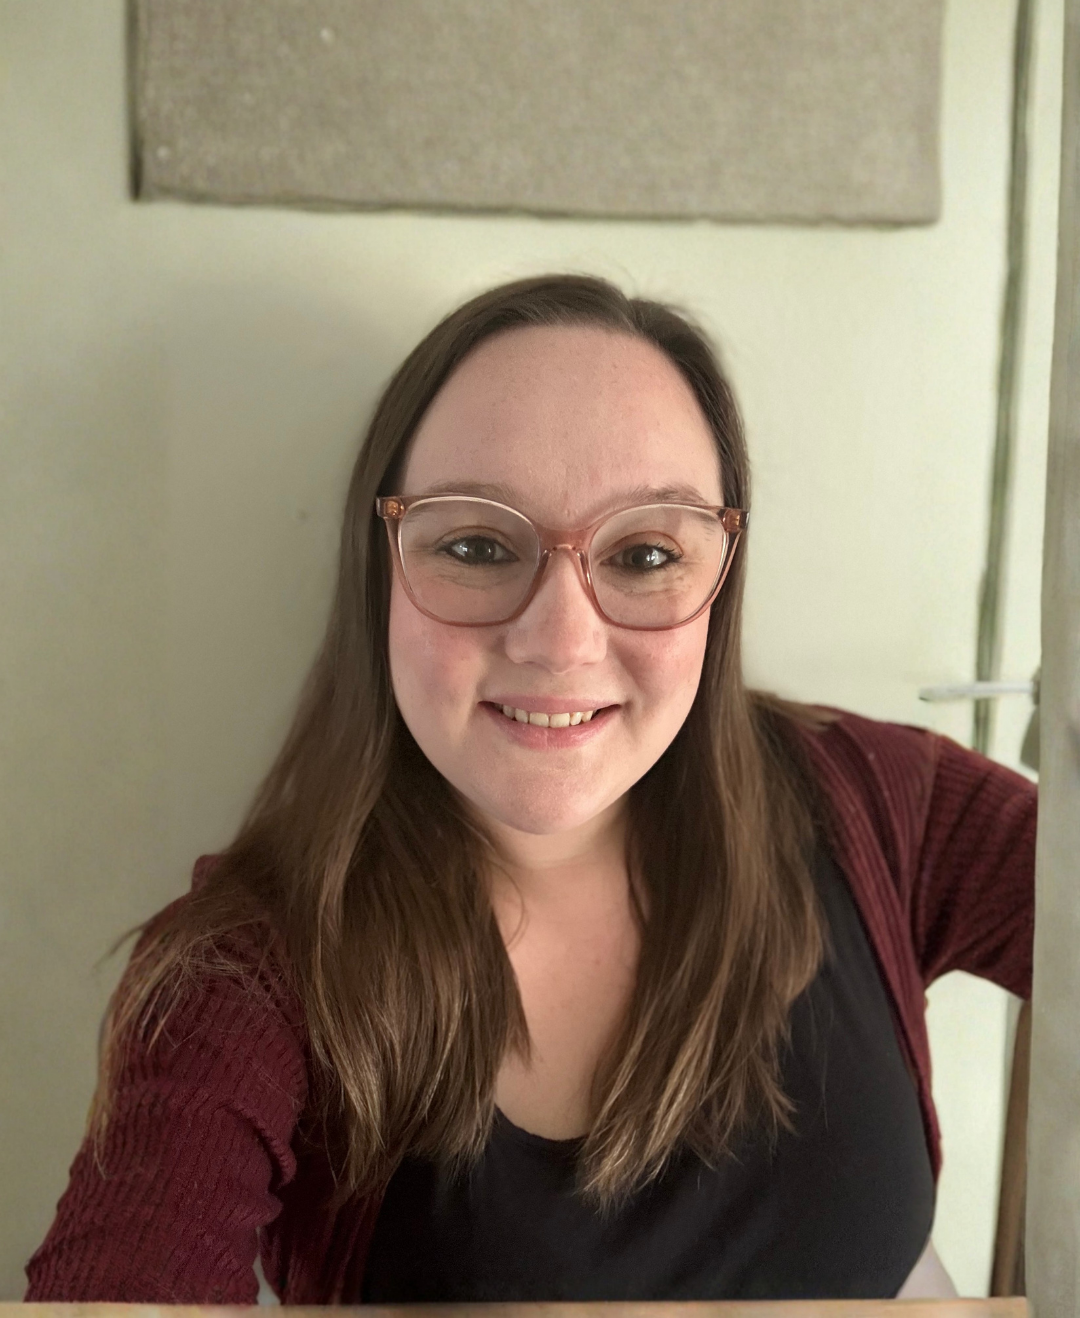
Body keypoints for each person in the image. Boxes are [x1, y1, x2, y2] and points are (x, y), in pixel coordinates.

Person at [25, 274, 1035, 1304]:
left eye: (646, 553)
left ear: (720, 582)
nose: (559, 642)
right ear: (381, 568)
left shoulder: (883, 802)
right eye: (476, 546)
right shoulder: (250, 967)